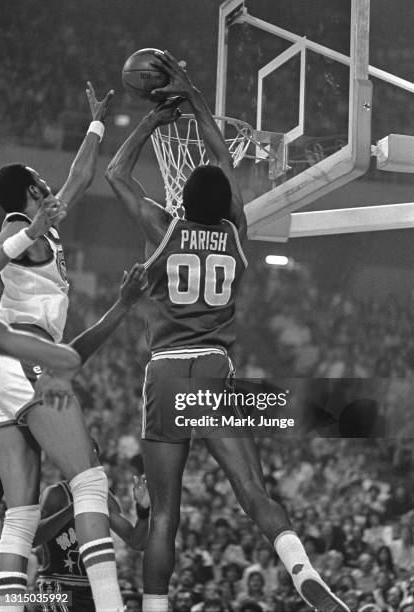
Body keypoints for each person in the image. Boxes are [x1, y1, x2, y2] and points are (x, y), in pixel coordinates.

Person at [106, 50, 349, 612]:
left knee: (165, 514)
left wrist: (153, 120)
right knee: (254, 493)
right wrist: (192, 96)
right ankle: (303, 571)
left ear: (181, 201)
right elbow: (221, 158)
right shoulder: (237, 233)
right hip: (216, 371)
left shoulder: (163, 230)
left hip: (167, 374)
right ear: (226, 206)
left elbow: (115, 173)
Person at [0, 81, 135, 612]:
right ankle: (110, 605)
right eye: (40, 181)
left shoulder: (42, 226)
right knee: (90, 481)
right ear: (31, 188)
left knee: (20, 516)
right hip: (26, 360)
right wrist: (25, 232)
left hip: (7, 373)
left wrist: (97, 123)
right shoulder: (21, 227)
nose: (50, 183)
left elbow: (80, 178)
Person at [33, 457, 150, 612]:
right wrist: (73, 508)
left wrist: (143, 511)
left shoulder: (102, 496)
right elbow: (34, 538)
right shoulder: (56, 493)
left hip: (95, 587)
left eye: (93, 456)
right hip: (57, 585)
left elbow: (137, 542)